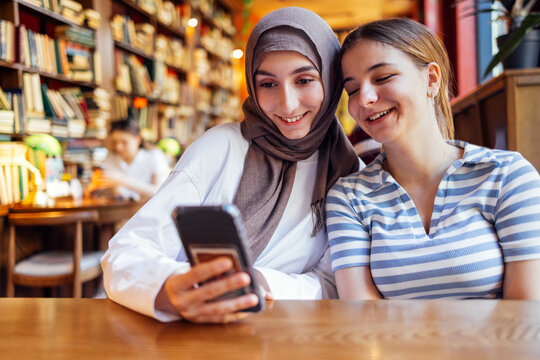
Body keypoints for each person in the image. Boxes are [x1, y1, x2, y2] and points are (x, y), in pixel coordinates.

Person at [101, 7, 361, 323]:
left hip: (287, 337)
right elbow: (125, 253)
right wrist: (169, 289)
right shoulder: (222, 146)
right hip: (188, 333)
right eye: (267, 84)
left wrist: (263, 284)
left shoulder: (348, 173)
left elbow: (336, 283)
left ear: (331, 80)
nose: (287, 103)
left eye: (304, 79)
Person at [326, 18, 540, 300]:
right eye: (352, 89)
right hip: (393, 345)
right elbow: (363, 317)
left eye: (382, 77)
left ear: (431, 79)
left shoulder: (507, 175)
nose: (363, 98)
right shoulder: (349, 197)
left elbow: (526, 314)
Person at [90, 119, 170, 201]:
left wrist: (122, 180)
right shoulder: (111, 159)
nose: (118, 147)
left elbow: (159, 192)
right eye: (115, 142)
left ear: (138, 139)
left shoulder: (154, 156)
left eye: (124, 142)